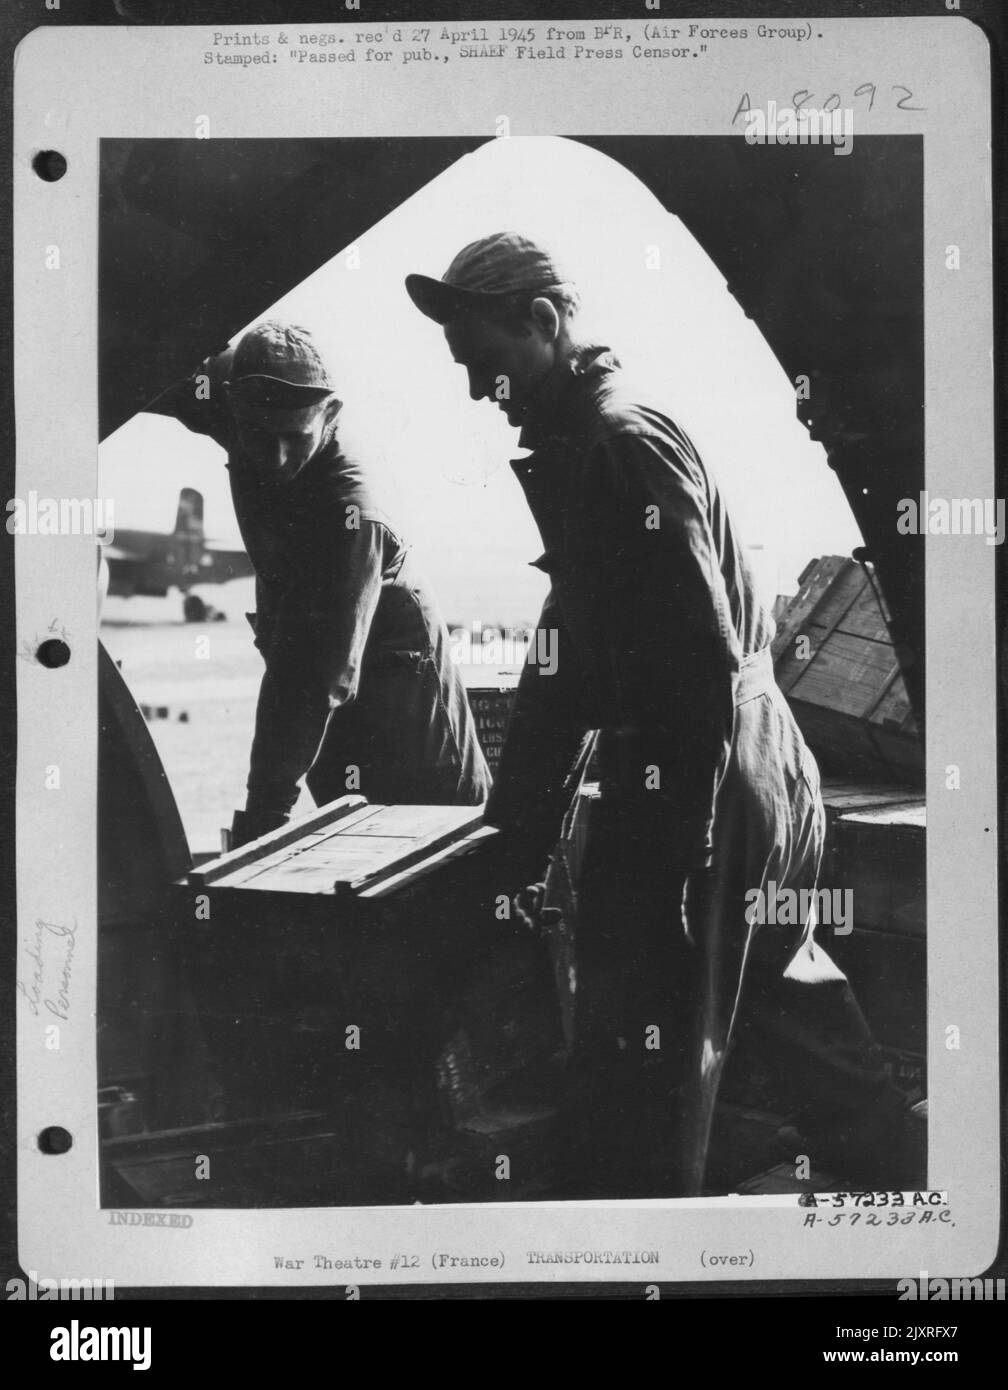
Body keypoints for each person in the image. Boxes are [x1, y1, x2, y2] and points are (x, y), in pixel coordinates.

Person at [406, 233, 920, 1196]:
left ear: (545, 323)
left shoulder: (617, 445)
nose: (480, 391)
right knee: (778, 988)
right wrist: (513, 831)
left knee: (662, 1040)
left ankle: (653, 1238)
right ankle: (904, 1168)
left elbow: (698, 662)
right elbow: (572, 645)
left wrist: (682, 855)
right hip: (725, 764)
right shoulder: (580, 442)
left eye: (486, 363)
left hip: (708, 772)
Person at [151, 321, 491, 846]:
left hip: (398, 698)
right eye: (260, 438)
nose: (278, 458)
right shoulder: (244, 406)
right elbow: (147, 372)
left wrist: (261, 819)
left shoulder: (350, 514)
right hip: (318, 679)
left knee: (420, 855)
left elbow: (310, 679)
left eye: (296, 439)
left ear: (330, 415)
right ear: (233, 411)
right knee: (347, 837)